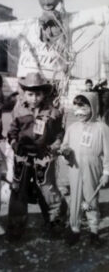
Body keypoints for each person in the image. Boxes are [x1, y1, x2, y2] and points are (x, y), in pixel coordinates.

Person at [0, 0, 109, 81]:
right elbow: (7, 28)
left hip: (53, 79)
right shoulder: (29, 24)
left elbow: (95, 14)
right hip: (28, 78)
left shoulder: (68, 21)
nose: (47, 2)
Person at [7, 73, 66, 240]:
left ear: (44, 93)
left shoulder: (52, 111)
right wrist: (15, 145)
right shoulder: (18, 110)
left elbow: (59, 133)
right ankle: (16, 225)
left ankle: (55, 222)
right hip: (23, 157)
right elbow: (12, 133)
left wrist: (55, 146)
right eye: (30, 94)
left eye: (38, 94)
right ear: (24, 93)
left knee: (47, 189)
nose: (34, 98)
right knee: (18, 190)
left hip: (43, 157)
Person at [61, 92, 109, 246]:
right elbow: (65, 145)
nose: (79, 111)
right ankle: (75, 228)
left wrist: (106, 173)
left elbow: (108, 152)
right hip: (75, 168)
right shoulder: (72, 128)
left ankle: (94, 231)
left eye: (83, 107)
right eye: (76, 107)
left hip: (92, 169)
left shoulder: (102, 128)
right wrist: (65, 152)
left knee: (90, 199)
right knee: (75, 199)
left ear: (93, 107)